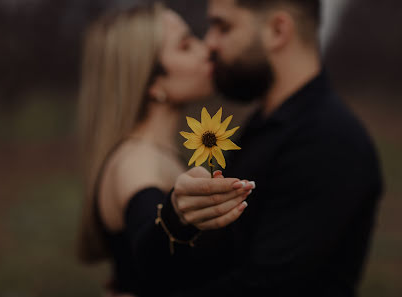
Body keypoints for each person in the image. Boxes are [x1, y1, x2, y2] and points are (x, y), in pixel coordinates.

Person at [160, 0, 384, 296]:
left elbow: (266, 287)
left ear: (278, 30)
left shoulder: (328, 140)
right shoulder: (266, 125)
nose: (209, 42)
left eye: (223, 26)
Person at [76, 3, 255, 296]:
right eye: (186, 46)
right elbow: (152, 247)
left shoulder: (155, 155)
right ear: (152, 81)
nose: (206, 49)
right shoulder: (138, 163)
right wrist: (176, 219)